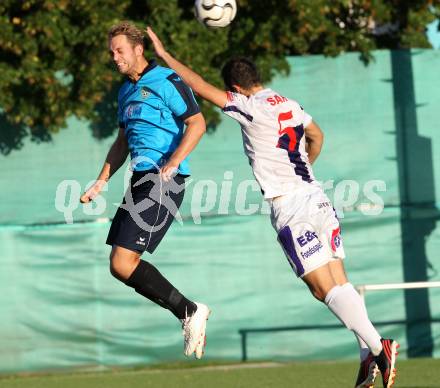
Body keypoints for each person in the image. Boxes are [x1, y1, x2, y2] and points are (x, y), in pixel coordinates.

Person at [146, 26, 399, 387]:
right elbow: (317, 136)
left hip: (291, 206)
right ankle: (367, 358)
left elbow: (199, 86)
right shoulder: (288, 104)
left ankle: (379, 346)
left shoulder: (248, 108)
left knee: (322, 288)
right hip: (317, 195)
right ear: (257, 78)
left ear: (234, 88)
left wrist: (165, 55)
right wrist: (305, 170)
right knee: (340, 280)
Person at [80, 21, 210, 360]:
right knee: (119, 265)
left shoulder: (167, 80)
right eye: (111, 52)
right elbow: (122, 141)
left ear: (138, 50)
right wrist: (101, 180)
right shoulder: (125, 92)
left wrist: (174, 160)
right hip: (140, 181)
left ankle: (189, 312)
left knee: (124, 261)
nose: (115, 57)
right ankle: (189, 310)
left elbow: (198, 124)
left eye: (119, 50)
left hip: (163, 179)